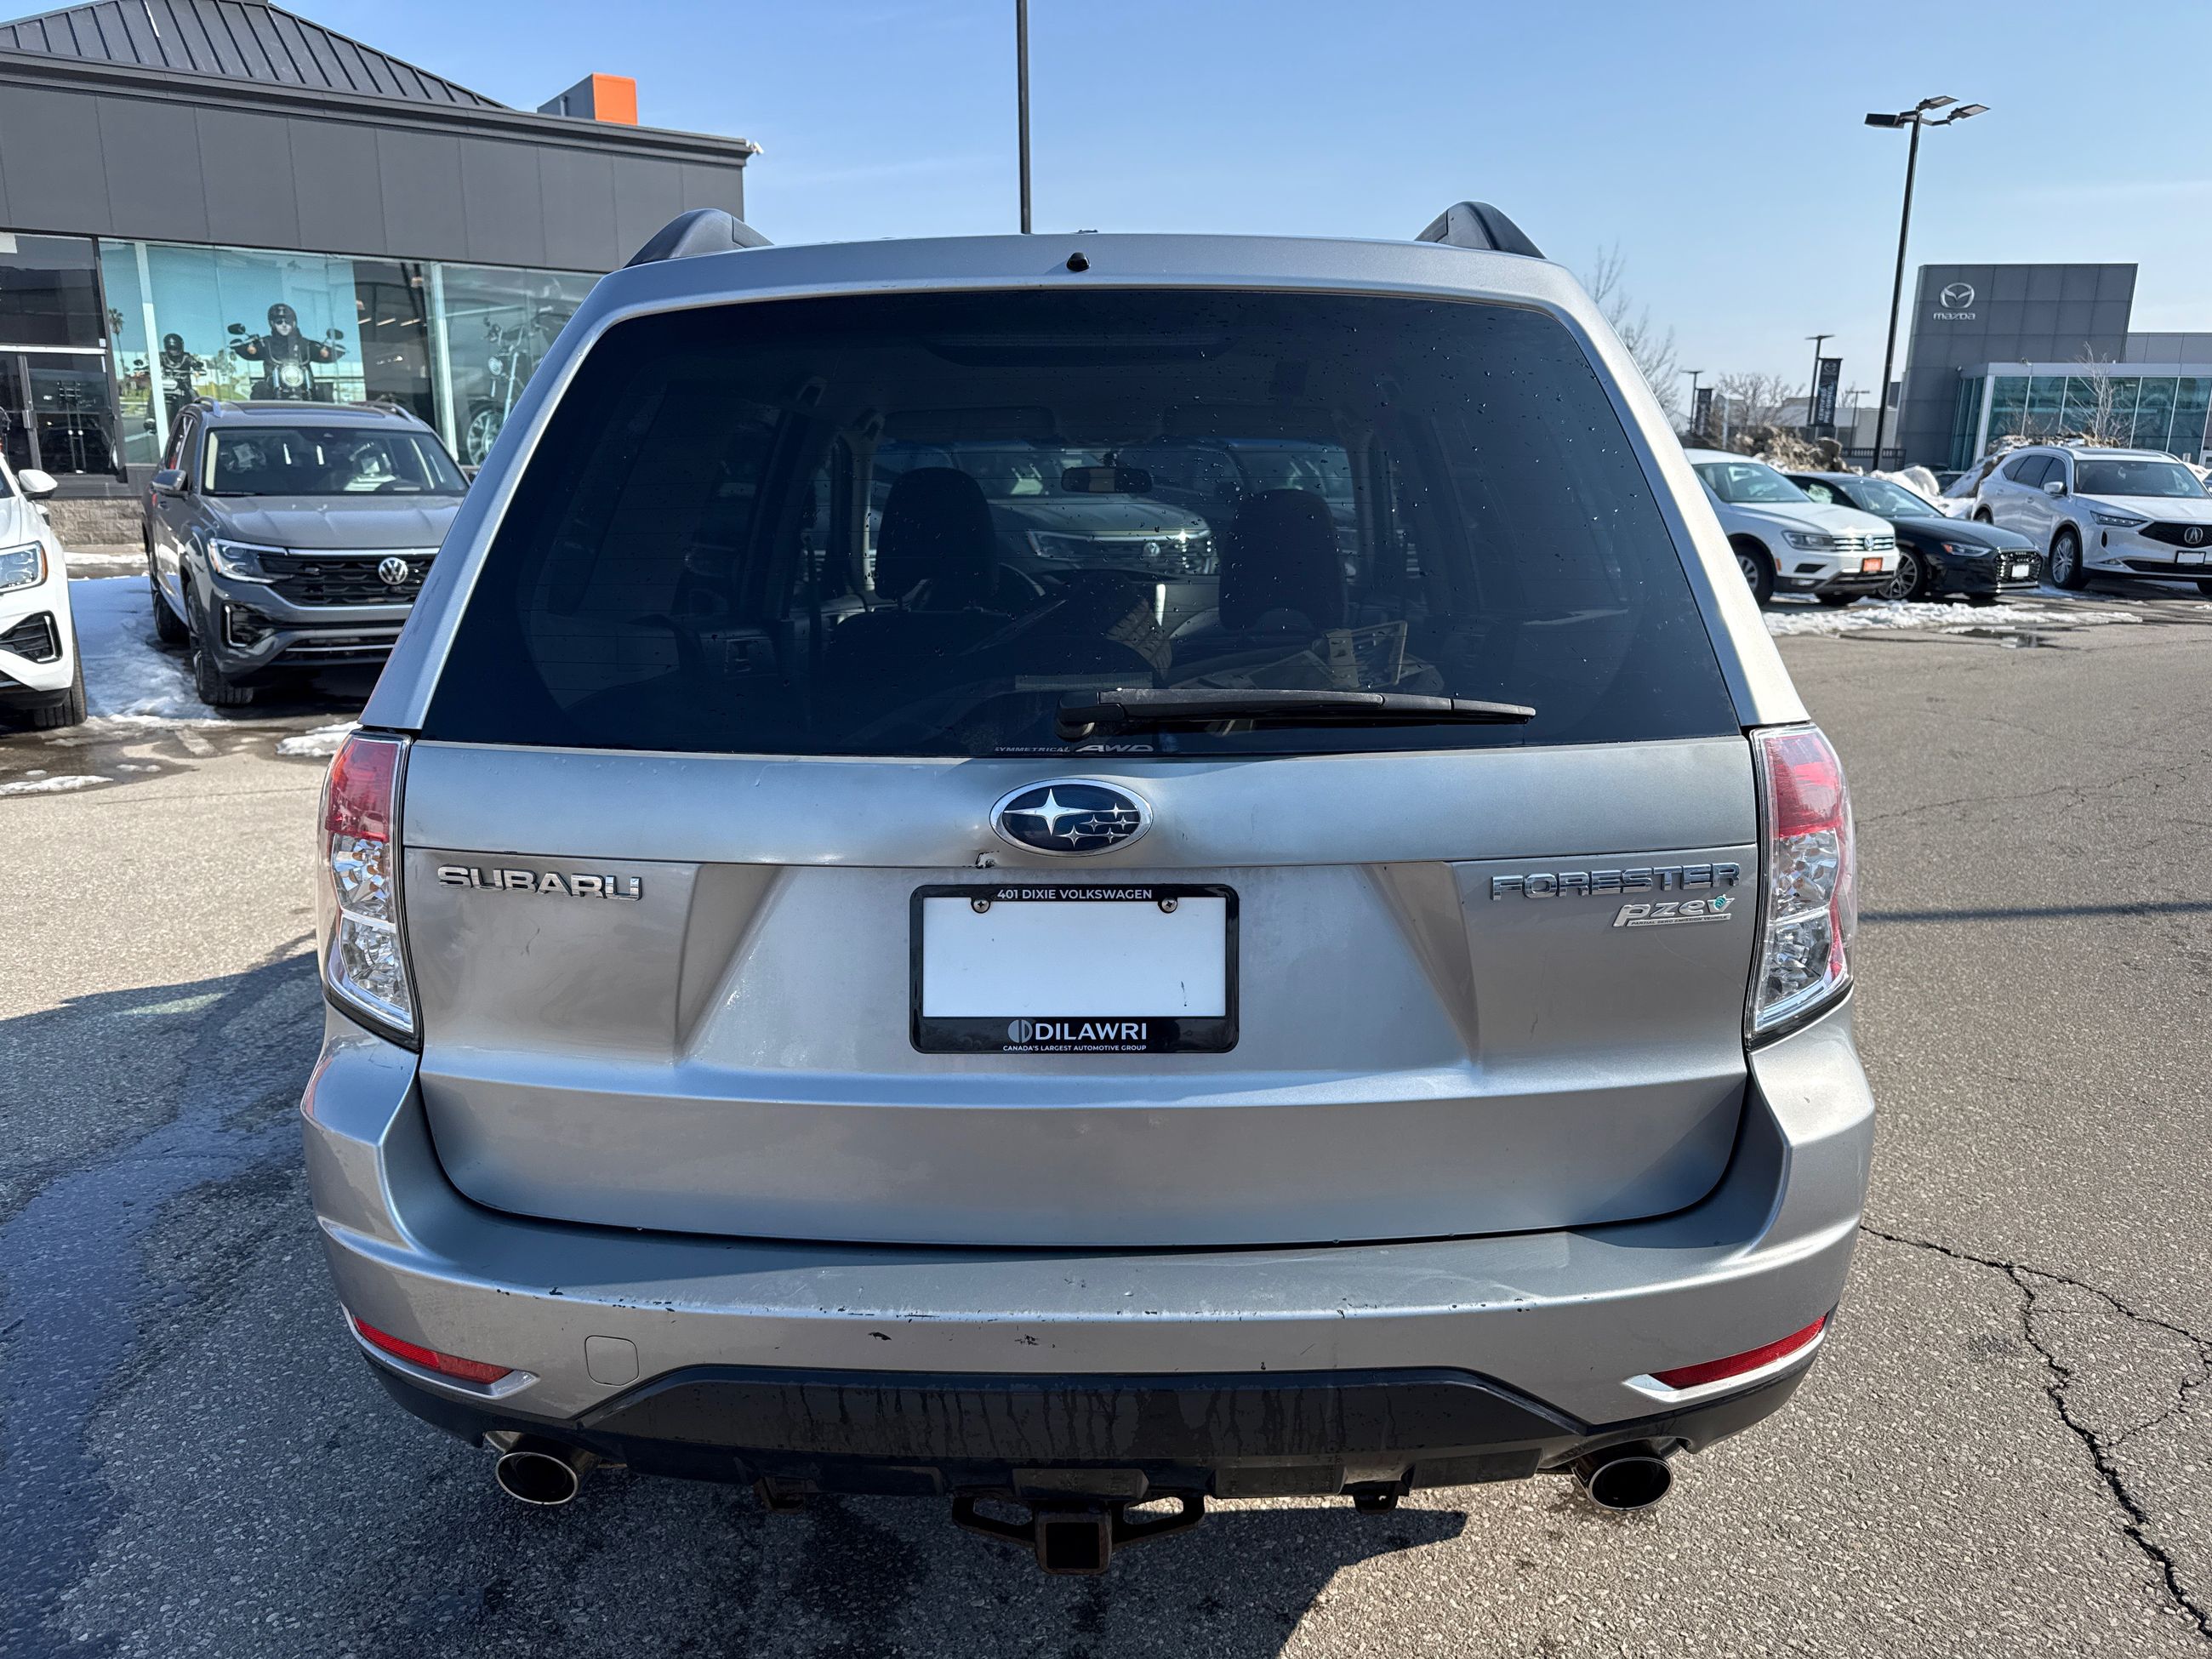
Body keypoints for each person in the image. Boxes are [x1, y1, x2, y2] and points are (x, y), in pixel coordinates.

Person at [230, 302, 345, 401]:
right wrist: (245, 347)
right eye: (279, 322)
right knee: (261, 388)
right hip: (272, 389)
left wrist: (326, 352)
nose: (284, 325)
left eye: (288, 322)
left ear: (294, 323)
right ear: (272, 324)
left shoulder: (305, 344)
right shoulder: (265, 343)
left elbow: (321, 352)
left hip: (303, 385)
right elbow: (251, 351)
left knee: (323, 390)